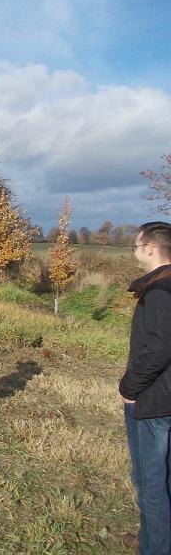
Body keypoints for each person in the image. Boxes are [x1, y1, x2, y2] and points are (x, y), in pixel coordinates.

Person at [119, 221, 171, 553]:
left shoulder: (160, 291)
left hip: (155, 401)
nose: (135, 252)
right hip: (163, 397)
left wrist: (130, 387)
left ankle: (154, 548)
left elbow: (160, 347)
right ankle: (152, 538)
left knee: (151, 484)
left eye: (136, 246)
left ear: (150, 248)